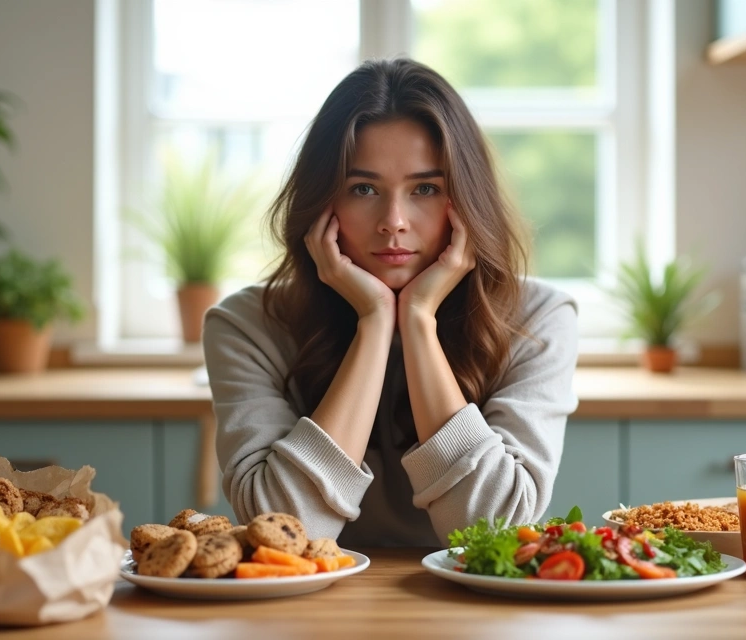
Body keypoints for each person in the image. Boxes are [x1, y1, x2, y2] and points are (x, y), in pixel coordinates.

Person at [203, 58, 579, 547]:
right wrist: (375, 322)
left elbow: (493, 535)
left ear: (466, 199)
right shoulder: (246, 325)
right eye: (363, 189)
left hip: (478, 615)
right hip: (309, 614)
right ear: (322, 203)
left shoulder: (539, 319)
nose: (394, 220)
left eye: (425, 188)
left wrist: (418, 322)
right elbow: (285, 535)